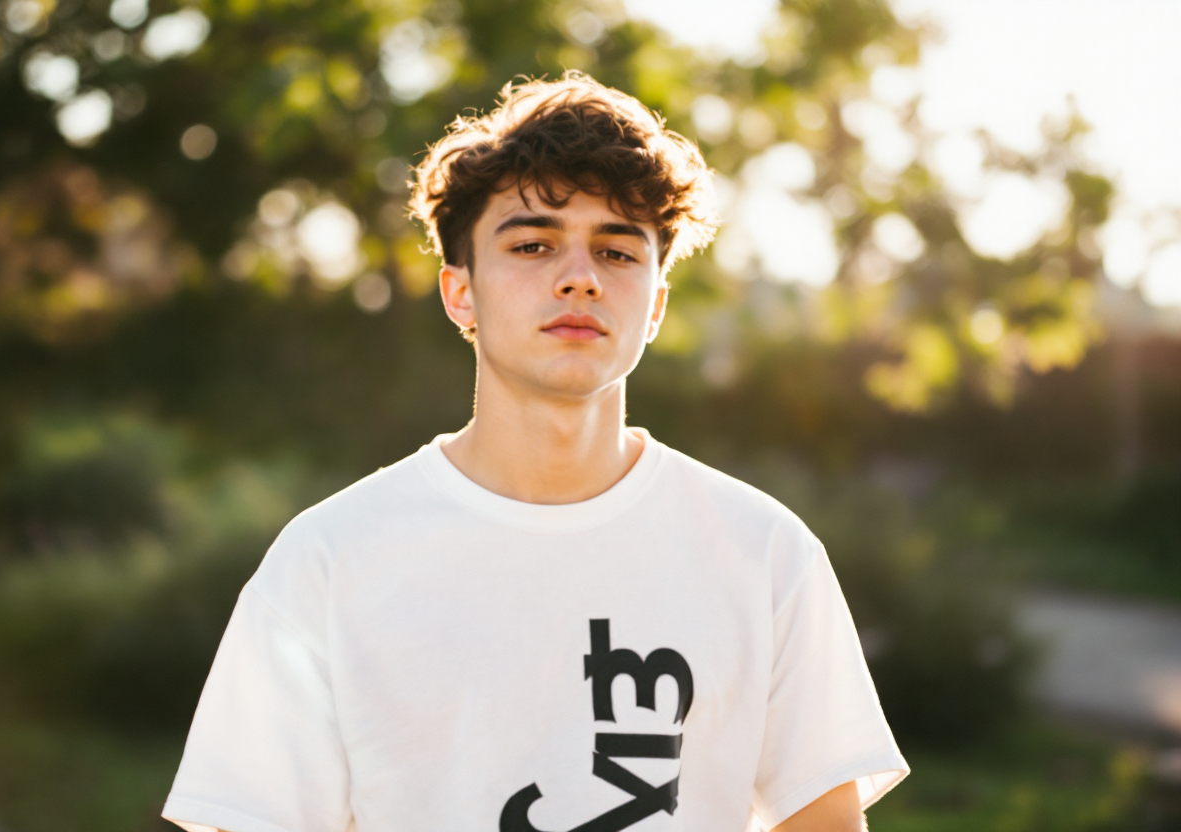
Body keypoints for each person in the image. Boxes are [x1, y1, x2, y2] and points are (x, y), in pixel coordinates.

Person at [162, 71, 908, 832]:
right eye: (533, 245)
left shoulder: (764, 555)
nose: (579, 278)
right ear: (461, 294)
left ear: (654, 306)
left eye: (617, 254)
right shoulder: (328, 560)